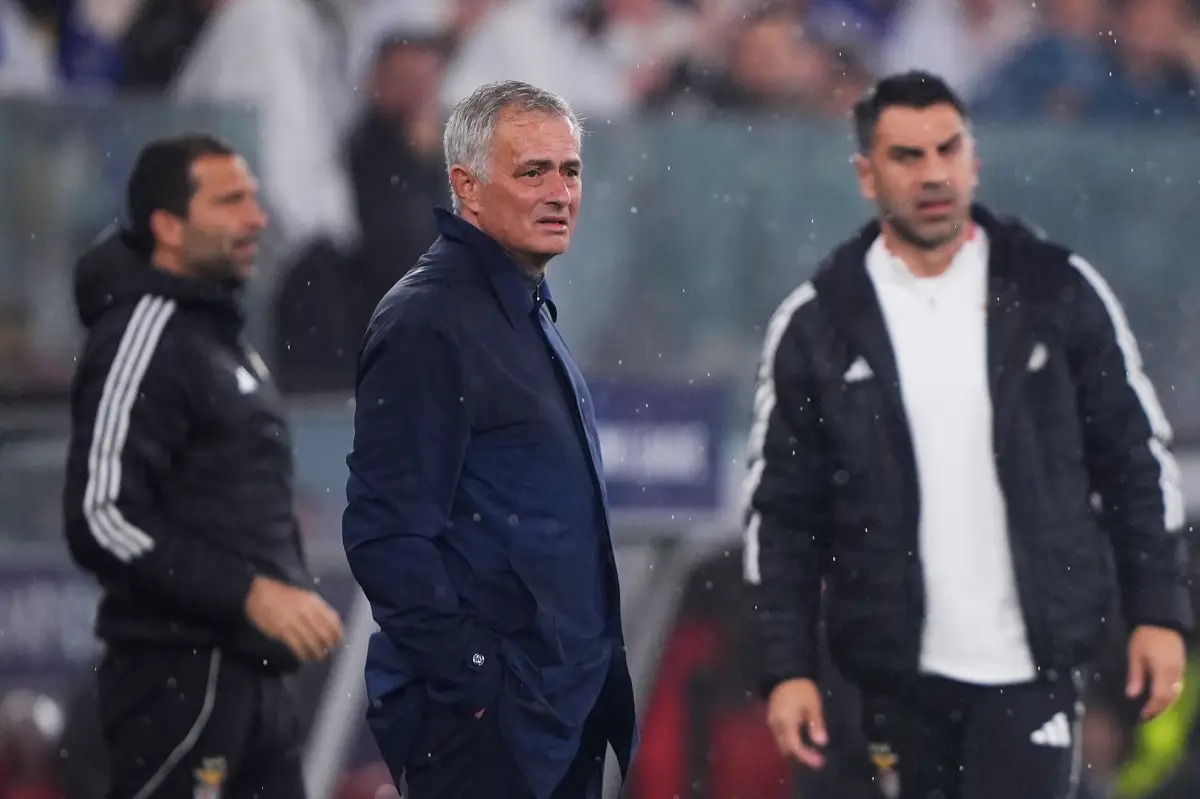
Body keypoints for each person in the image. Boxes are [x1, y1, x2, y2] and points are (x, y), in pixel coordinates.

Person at [742, 70, 1192, 799]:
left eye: (948, 149)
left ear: (973, 159)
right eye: (907, 155)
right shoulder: (821, 321)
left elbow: (1133, 460)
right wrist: (785, 667)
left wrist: (1160, 611)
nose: (933, 173)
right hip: (884, 677)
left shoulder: (1056, 290)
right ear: (866, 174)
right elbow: (783, 516)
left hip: (1031, 668)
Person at [342, 79, 637, 799]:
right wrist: (477, 682)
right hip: (490, 731)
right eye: (532, 170)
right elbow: (385, 535)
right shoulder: (428, 320)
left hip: (551, 717)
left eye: (569, 170)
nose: (559, 191)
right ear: (466, 188)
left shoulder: (521, 303)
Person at [62, 133, 344, 799]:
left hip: (256, 683)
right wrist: (250, 592)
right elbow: (99, 515)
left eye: (253, 198)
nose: (257, 217)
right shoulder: (142, 332)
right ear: (167, 225)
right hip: (179, 682)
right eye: (230, 202)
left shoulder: (224, 340)